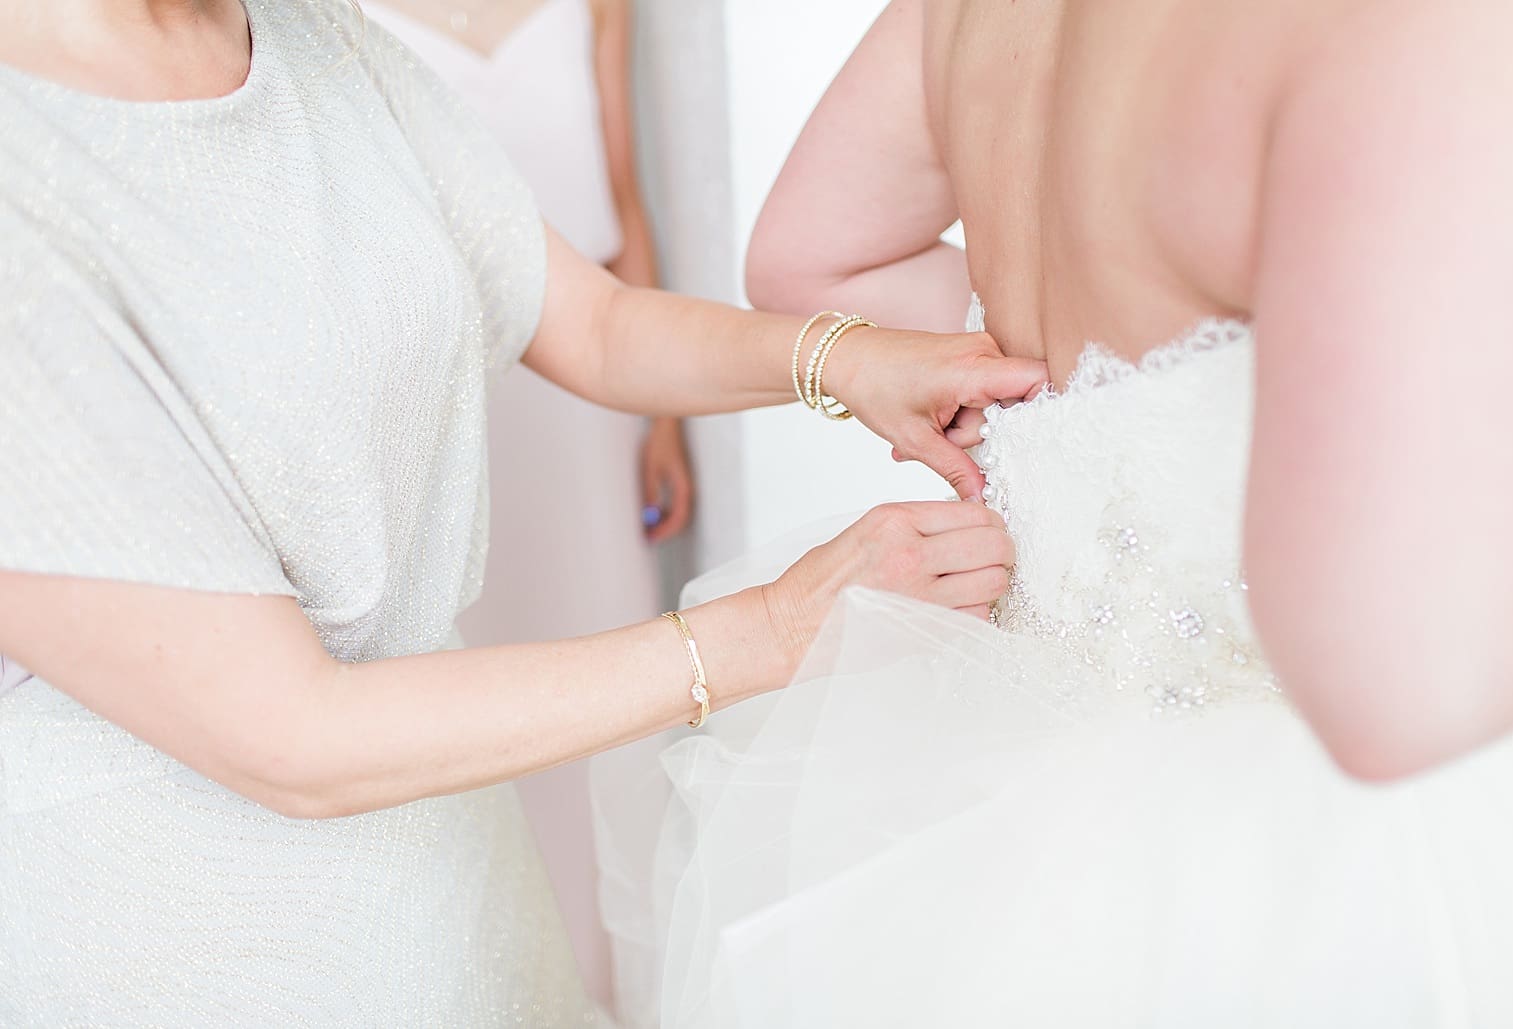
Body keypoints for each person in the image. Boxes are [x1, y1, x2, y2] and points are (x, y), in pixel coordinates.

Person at [0, 0, 1042, 1023]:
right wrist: (772, 628)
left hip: (453, 895)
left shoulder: (313, 41)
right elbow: (290, 738)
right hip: (181, 948)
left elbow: (594, 323)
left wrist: (845, 358)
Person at [650, 1, 1513, 1025]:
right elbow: (1396, 691)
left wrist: (1086, 382)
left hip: (1004, 814)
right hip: (1316, 865)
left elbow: (811, 263)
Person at [357, 0, 684, 1001]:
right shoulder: (330, 19)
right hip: (449, 406)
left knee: (620, 694)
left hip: (591, 396)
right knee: (474, 695)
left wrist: (663, 416)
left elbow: (623, 205)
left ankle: (618, 982)